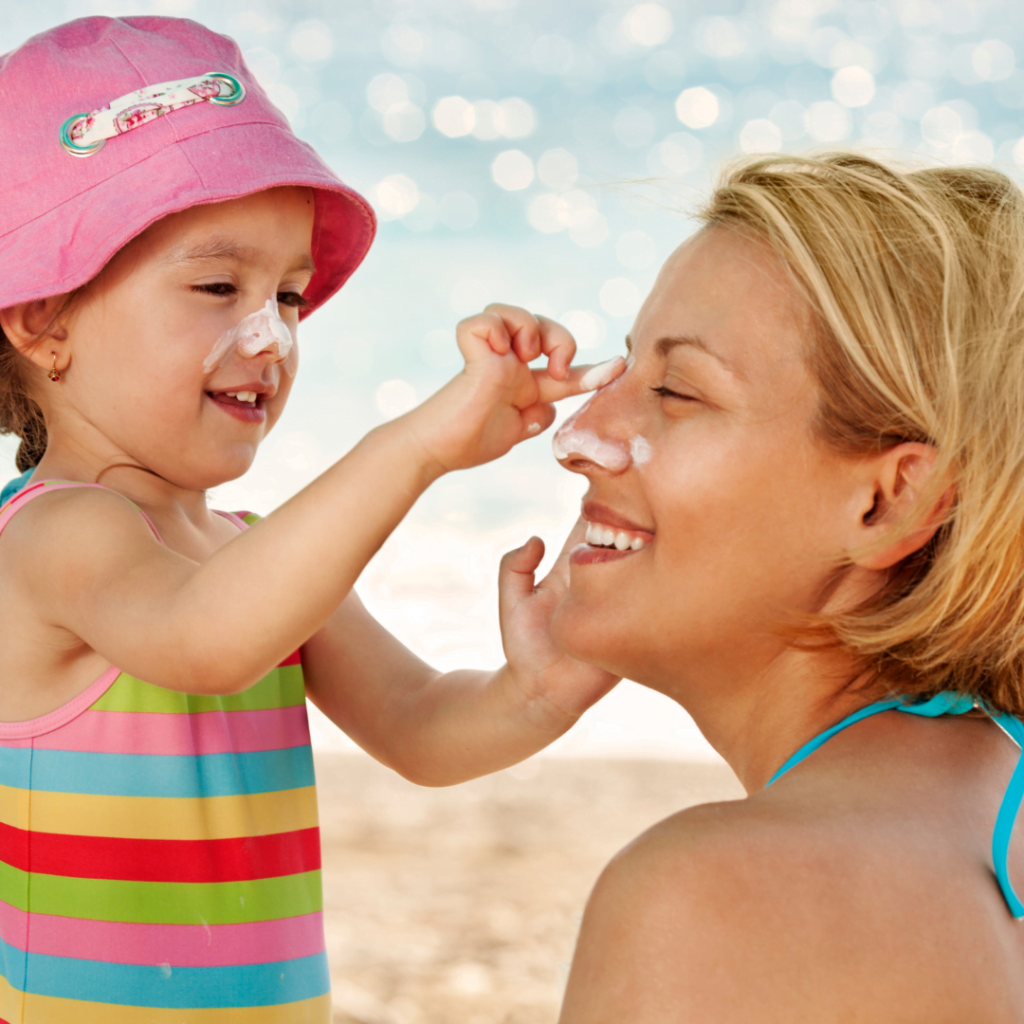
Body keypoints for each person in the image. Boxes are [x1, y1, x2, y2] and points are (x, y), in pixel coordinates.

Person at [0, 17, 623, 1023]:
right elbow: (206, 637)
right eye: (217, 286)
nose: (270, 336)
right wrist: (417, 442)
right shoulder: (53, 538)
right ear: (44, 320)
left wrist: (540, 688)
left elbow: (420, 728)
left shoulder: (249, 556)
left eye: (288, 295)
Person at [551, 153, 1024, 1022]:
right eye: (616, 373)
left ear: (889, 502)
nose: (580, 434)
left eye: (675, 389)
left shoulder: (707, 900)